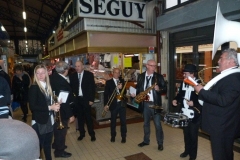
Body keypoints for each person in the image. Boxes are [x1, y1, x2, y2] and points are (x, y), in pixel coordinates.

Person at [194, 48, 240, 160]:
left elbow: (223, 100)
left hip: (223, 126)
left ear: (231, 62)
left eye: (221, 58)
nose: (218, 61)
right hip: (223, 125)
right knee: (226, 153)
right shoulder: (228, 76)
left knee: (221, 155)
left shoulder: (233, 79)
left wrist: (202, 91)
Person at [131, 59, 167, 151]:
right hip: (145, 104)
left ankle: (160, 143)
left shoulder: (158, 77)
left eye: (155, 66)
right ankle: (146, 141)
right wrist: (135, 93)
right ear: (146, 66)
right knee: (146, 124)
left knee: (158, 125)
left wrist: (159, 89)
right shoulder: (141, 76)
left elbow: (165, 89)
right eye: (151, 66)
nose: (153, 68)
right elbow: (138, 88)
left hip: (155, 104)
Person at [28, 64, 60, 160]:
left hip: (49, 120)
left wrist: (56, 103)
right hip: (40, 121)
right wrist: (50, 107)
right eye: (38, 73)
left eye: (42, 72)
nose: (40, 75)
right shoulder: (34, 87)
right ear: (35, 75)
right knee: (39, 146)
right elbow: (32, 107)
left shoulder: (48, 86)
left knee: (47, 145)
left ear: (46, 74)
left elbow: (47, 101)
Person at [172, 64, 202, 160]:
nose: (184, 76)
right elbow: (181, 94)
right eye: (184, 74)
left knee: (193, 137)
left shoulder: (199, 84)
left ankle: (193, 156)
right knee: (186, 134)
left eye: (186, 74)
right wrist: (176, 99)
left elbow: (203, 99)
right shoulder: (184, 82)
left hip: (194, 115)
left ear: (192, 74)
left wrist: (195, 103)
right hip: (184, 113)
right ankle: (186, 151)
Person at [50, 61, 75, 158]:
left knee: (57, 130)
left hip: (55, 107)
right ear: (65, 70)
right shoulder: (62, 82)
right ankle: (59, 151)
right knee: (61, 131)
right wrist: (70, 115)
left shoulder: (54, 77)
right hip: (62, 110)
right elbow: (63, 101)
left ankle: (56, 144)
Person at [69, 60, 96, 141]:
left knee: (88, 118)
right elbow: (71, 89)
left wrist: (91, 99)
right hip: (77, 100)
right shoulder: (72, 76)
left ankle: (92, 134)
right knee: (80, 118)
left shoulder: (89, 75)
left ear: (83, 66)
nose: (77, 68)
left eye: (78, 66)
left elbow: (92, 88)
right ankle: (82, 133)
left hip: (86, 99)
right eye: (76, 66)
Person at [103, 68, 127, 143]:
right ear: (112, 73)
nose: (117, 74)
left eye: (118, 73)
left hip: (122, 104)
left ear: (120, 74)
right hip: (113, 104)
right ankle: (113, 136)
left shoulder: (122, 81)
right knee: (113, 122)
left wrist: (121, 88)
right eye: (115, 72)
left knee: (123, 121)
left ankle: (123, 136)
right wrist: (106, 104)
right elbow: (106, 94)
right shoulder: (109, 82)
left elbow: (125, 92)